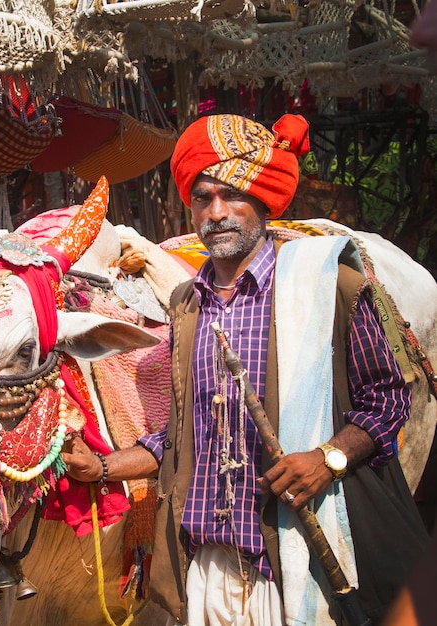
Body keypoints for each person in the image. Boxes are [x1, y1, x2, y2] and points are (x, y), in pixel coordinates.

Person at [62, 113, 428, 626]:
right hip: (208, 565)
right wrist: (101, 467)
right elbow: (184, 435)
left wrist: (329, 459)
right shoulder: (186, 305)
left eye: (232, 194)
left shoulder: (329, 286)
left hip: (298, 557)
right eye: (203, 197)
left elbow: (388, 399)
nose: (216, 212)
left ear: (262, 199)